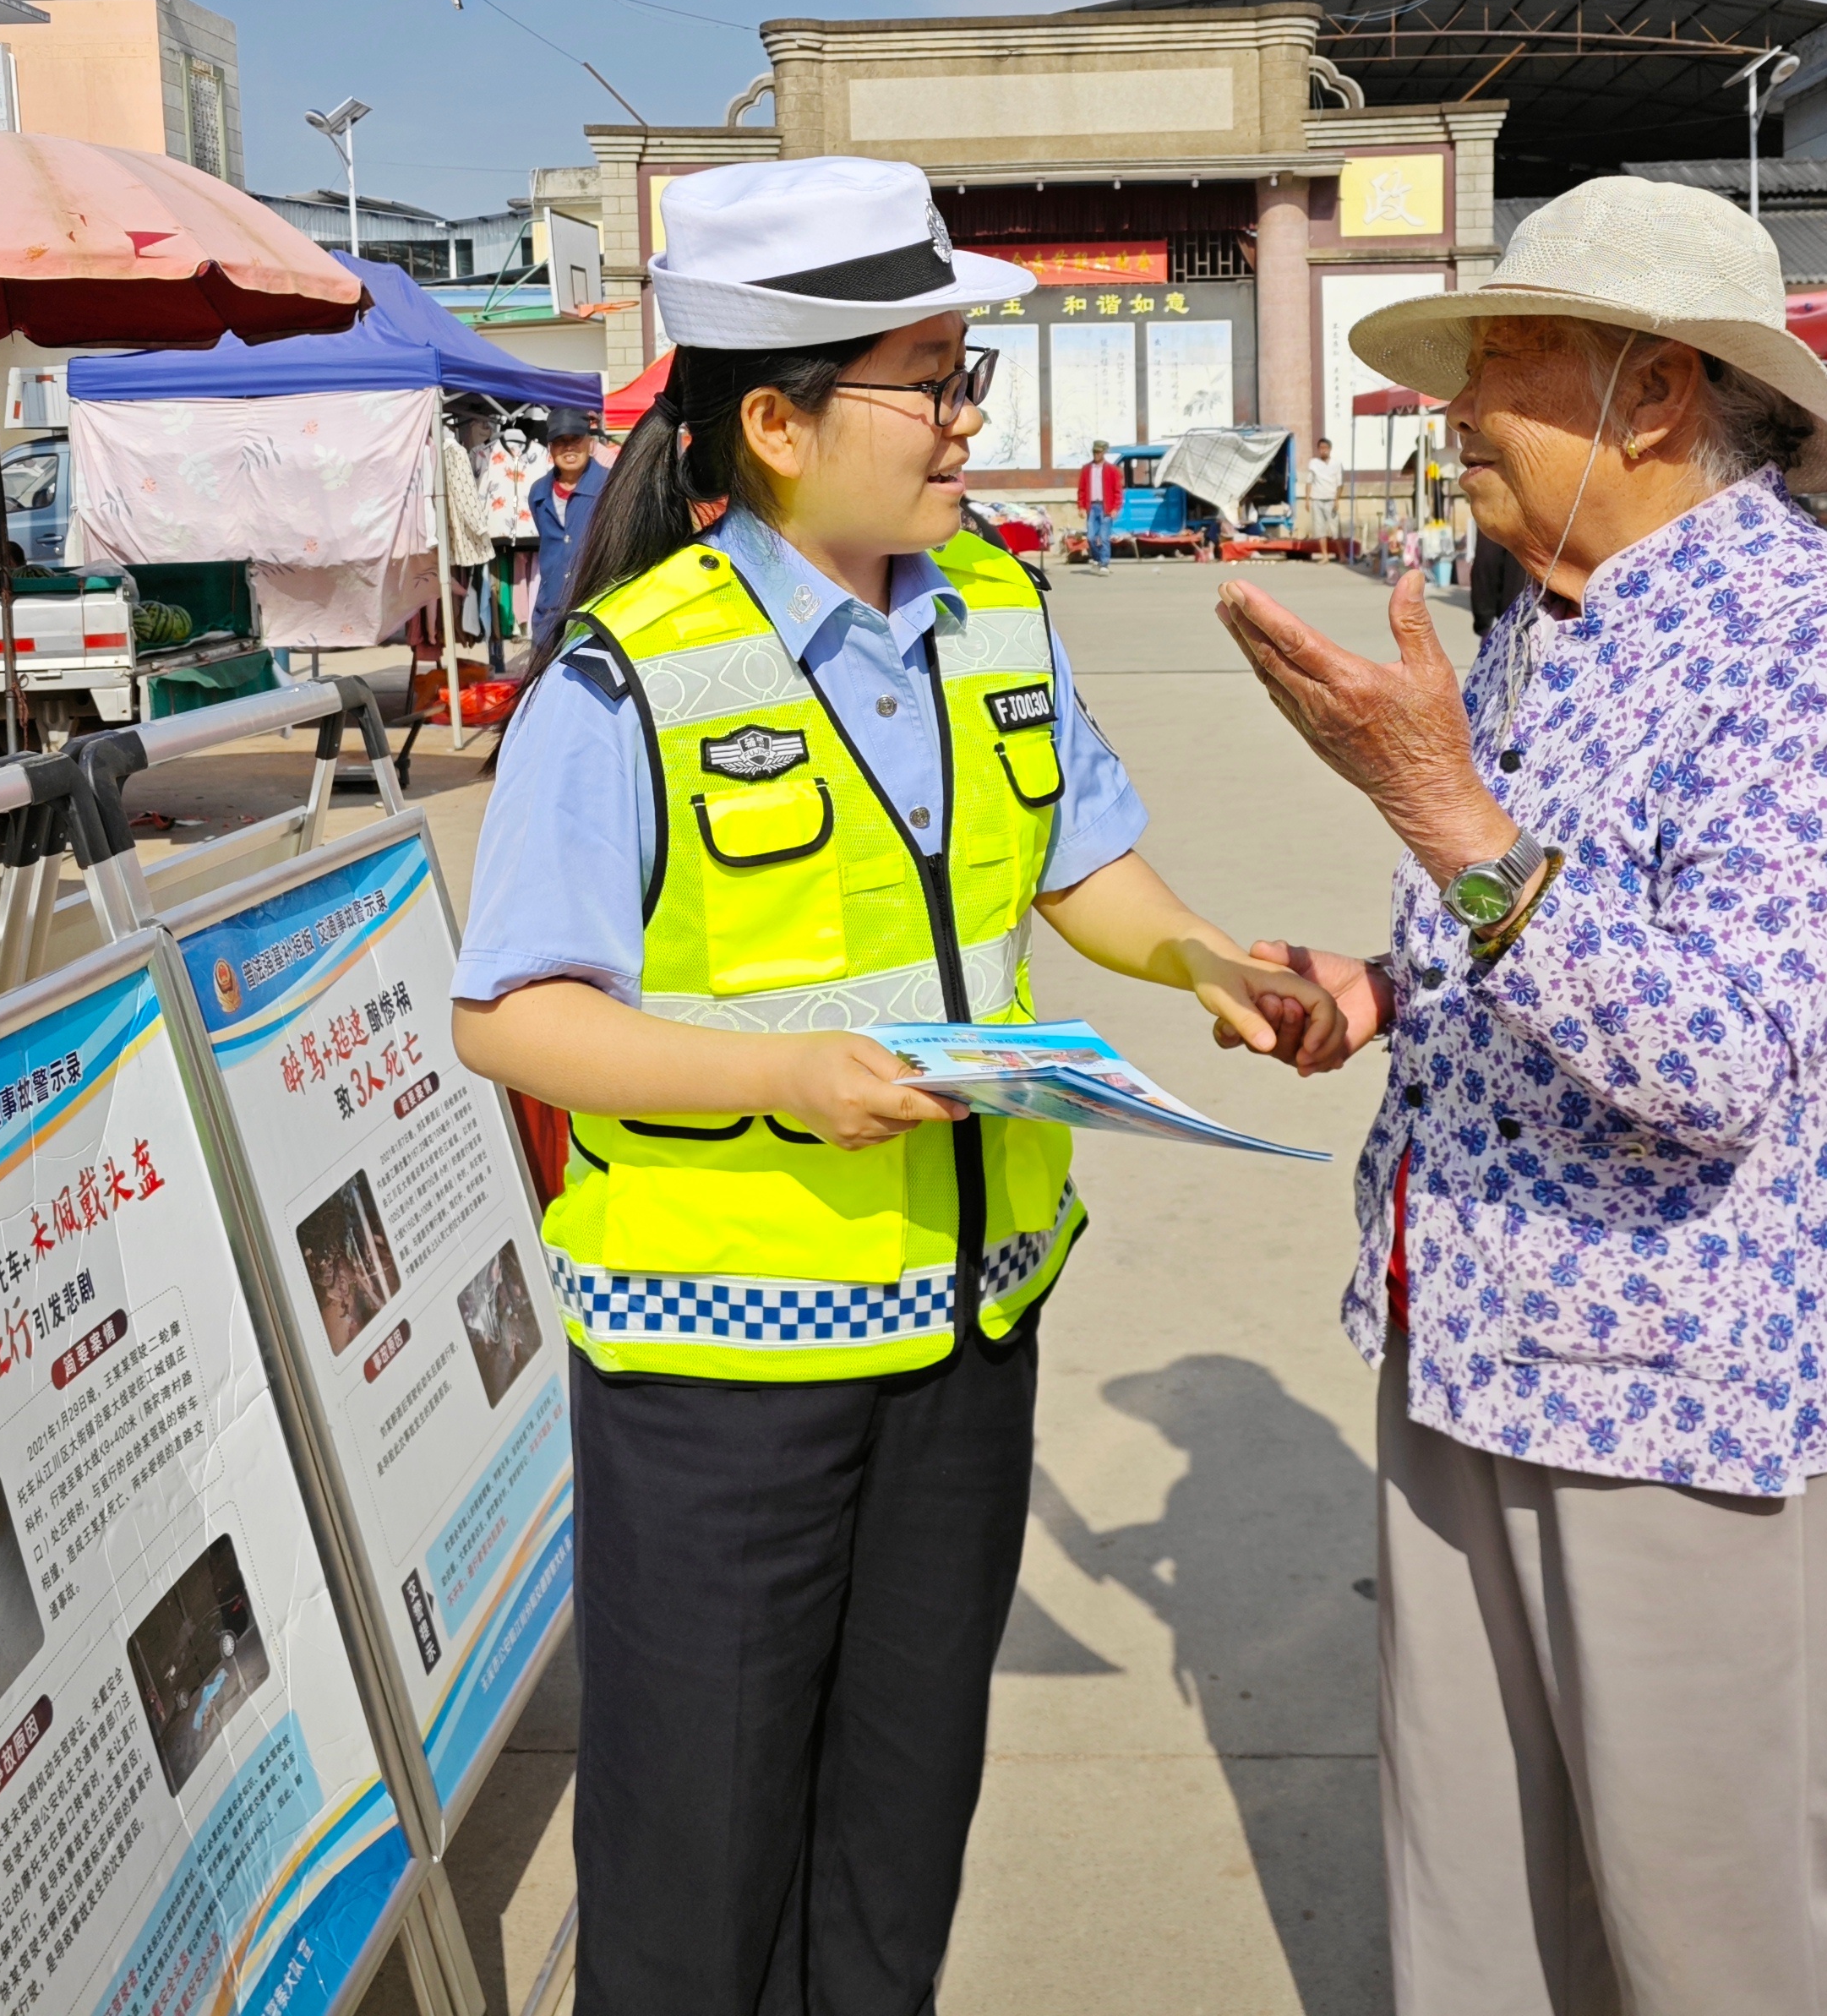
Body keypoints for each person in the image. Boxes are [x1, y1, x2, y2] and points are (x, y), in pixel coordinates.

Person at [445, 154, 1354, 2016]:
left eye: (965, 381)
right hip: (727, 1370)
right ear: (772, 421)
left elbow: (1072, 865)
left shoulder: (998, 613)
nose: (963, 423)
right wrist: (784, 1074)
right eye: (928, 384)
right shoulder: (631, 679)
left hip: (960, 1338)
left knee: (893, 1828)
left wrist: (1200, 960)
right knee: (696, 1860)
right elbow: (513, 1014)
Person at [1215, 177, 1827, 2016]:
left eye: (1501, 360)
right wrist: (1379, 990)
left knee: (1714, 1931)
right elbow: (1544, 936)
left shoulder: (1818, 654)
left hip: (1671, 1398)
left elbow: (1707, 1055)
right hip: (1469, 1328)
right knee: (1476, 1897)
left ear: (1646, 396)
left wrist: (1446, 816)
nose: (1453, 406)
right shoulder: (1560, 617)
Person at [525, 411, 601, 647]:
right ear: (550, 448)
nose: (569, 448)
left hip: (596, 612)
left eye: (575, 440)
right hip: (550, 614)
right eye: (560, 441)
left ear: (590, 443)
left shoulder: (610, 487)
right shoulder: (538, 492)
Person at [1076, 435, 1123, 572]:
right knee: (1090, 537)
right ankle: (1097, 559)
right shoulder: (1086, 469)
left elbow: (1117, 491)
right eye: (1094, 452)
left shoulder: (1112, 470)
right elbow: (1082, 490)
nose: (1096, 455)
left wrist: (1116, 508)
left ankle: (1104, 564)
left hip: (1106, 507)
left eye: (1099, 452)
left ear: (1104, 452)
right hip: (1092, 507)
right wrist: (1081, 507)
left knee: (1103, 537)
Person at [1301, 435, 1344, 551]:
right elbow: (1309, 482)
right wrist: (1307, 500)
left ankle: (1342, 555)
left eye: (1325, 448)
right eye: (1320, 448)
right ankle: (1325, 556)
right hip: (1317, 499)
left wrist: (1337, 500)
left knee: (1335, 529)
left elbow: (1340, 484)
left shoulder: (1336, 463)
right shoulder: (1314, 463)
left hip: (1330, 499)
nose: (1323, 450)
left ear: (1330, 449)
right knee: (1320, 530)